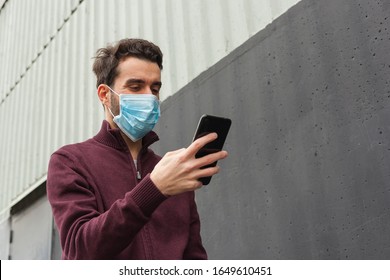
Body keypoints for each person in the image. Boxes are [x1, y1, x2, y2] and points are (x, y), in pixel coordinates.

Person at [47, 38, 228, 260]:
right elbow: (80, 250)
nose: (149, 97)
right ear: (105, 95)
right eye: (135, 86)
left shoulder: (173, 173)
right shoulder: (70, 161)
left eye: (155, 88)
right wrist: (154, 188)